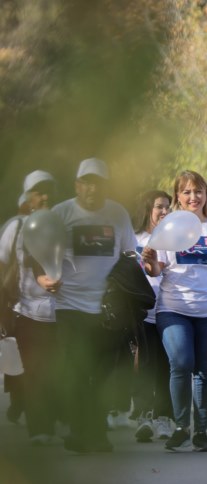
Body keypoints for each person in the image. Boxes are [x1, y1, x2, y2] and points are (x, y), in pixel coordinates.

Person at [141, 171, 207, 452]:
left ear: (206, 195)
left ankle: (199, 430)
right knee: (182, 363)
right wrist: (150, 261)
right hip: (173, 308)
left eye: (198, 191)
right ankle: (180, 427)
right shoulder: (167, 227)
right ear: (178, 196)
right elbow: (156, 270)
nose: (193, 197)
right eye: (186, 192)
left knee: (203, 370)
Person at [40, 158, 137, 453]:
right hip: (70, 305)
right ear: (77, 185)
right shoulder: (61, 213)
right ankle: (88, 432)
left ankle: (86, 428)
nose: (92, 188)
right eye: (87, 182)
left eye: (99, 183)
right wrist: (43, 277)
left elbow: (130, 253)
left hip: (107, 308)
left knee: (104, 372)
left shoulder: (117, 214)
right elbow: (37, 251)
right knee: (80, 369)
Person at [0, 170, 56, 444]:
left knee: (55, 370)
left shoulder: (62, 223)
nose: (44, 197)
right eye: (38, 192)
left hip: (61, 311)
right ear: (28, 197)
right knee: (34, 370)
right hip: (26, 311)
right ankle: (40, 428)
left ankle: (53, 417)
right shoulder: (17, 227)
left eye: (48, 191)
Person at [130, 190, 175, 442]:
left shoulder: (176, 237)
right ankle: (143, 416)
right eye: (160, 206)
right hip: (143, 313)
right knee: (145, 366)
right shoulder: (135, 237)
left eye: (168, 206)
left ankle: (164, 417)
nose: (164, 211)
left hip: (169, 310)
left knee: (167, 366)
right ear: (148, 208)